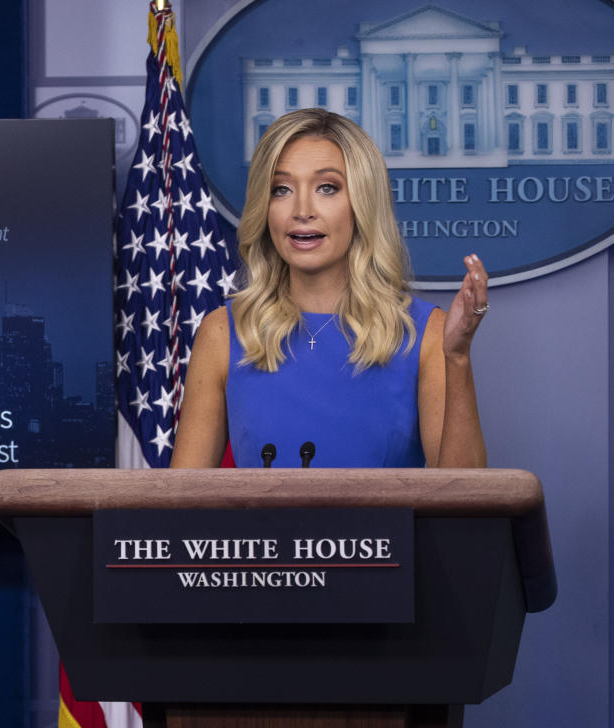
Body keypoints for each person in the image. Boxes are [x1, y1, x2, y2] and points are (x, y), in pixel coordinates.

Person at [170, 108, 487, 469]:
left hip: (385, 529)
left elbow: (468, 500)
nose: (302, 210)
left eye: (327, 188)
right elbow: (182, 505)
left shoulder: (427, 333)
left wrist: (457, 358)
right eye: (281, 189)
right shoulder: (222, 332)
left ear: (361, 204)